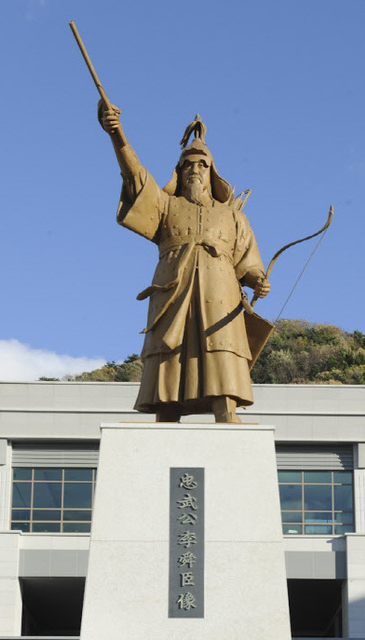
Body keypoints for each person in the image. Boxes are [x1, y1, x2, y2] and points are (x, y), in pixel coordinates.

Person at [98, 105, 271, 423]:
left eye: (202, 165)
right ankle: (166, 413)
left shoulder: (233, 216)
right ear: (179, 171)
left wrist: (258, 279)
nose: (194, 169)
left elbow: (248, 263)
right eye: (188, 164)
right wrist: (117, 134)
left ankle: (226, 411)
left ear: (211, 172)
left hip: (220, 296)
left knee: (221, 356)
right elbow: (135, 178)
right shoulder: (166, 206)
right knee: (168, 361)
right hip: (173, 292)